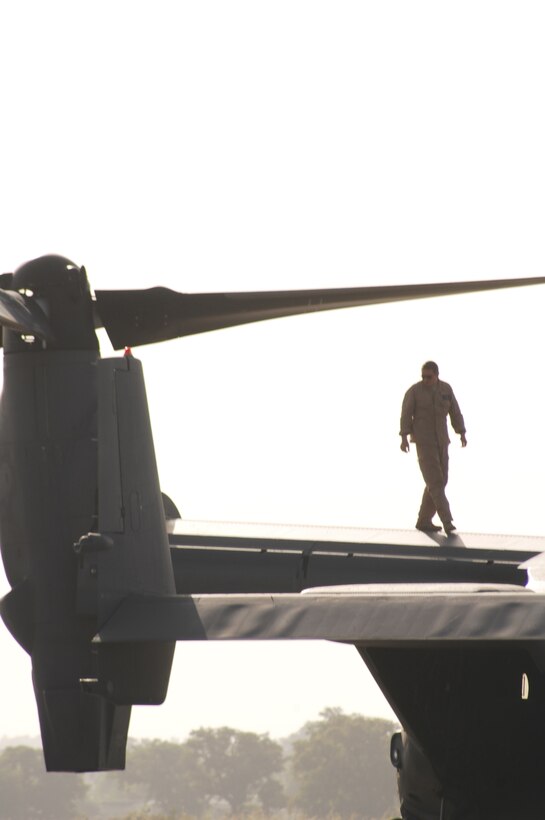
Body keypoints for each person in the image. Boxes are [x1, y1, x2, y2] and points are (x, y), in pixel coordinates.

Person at [399, 361, 467, 534]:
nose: (425, 380)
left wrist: (461, 432)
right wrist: (404, 437)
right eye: (423, 377)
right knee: (435, 482)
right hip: (424, 442)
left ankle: (424, 520)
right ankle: (447, 520)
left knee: (441, 480)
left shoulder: (445, 389)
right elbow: (406, 414)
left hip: (442, 441)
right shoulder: (415, 391)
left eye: (429, 377)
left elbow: (455, 411)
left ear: (436, 375)